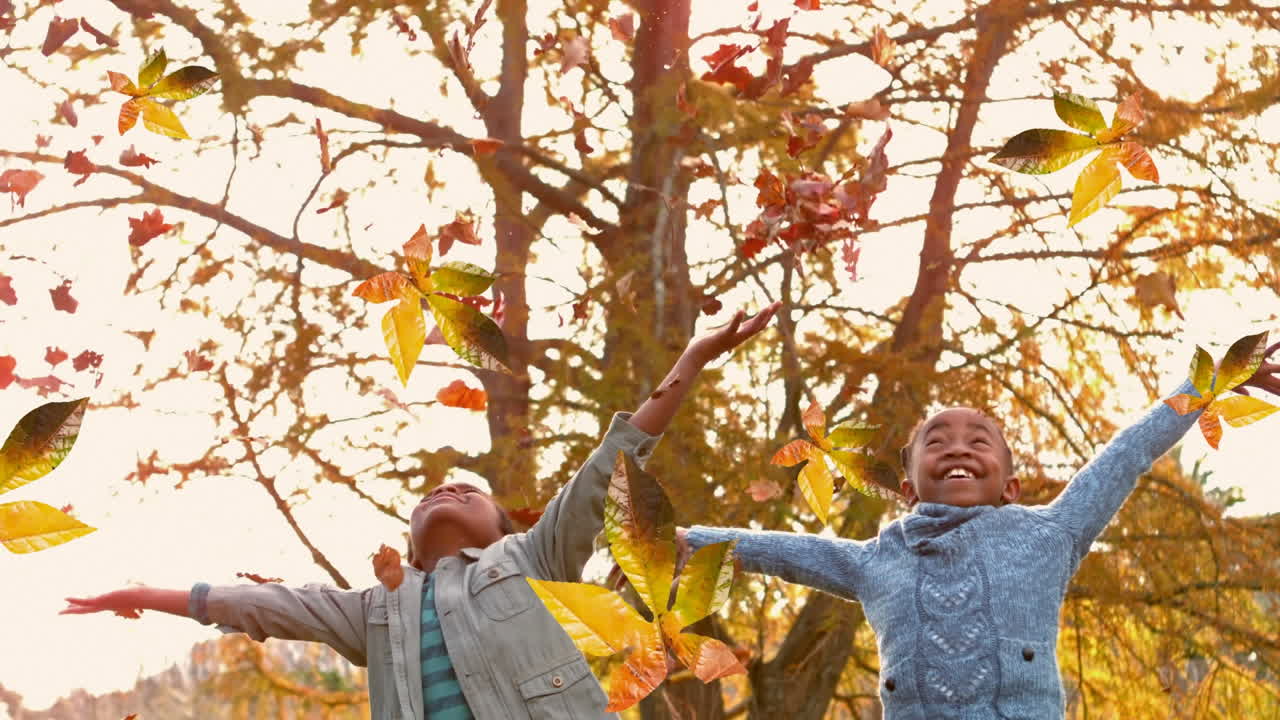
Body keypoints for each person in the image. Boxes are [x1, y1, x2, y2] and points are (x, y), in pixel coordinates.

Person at [62, 301, 782, 720]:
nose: (446, 489)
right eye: (432, 493)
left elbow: (611, 461)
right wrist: (143, 595)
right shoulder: (374, 611)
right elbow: (264, 605)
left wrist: (690, 357)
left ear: (507, 526)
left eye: (469, 490)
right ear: (406, 548)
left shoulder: (533, 557)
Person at [679, 342, 1279, 720]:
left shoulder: (1051, 534)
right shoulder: (873, 561)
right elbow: (779, 551)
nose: (957, 449)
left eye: (978, 441)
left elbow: (1125, 455)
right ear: (909, 489)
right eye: (936, 442)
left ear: (1010, 487)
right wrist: (680, 542)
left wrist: (1207, 387)